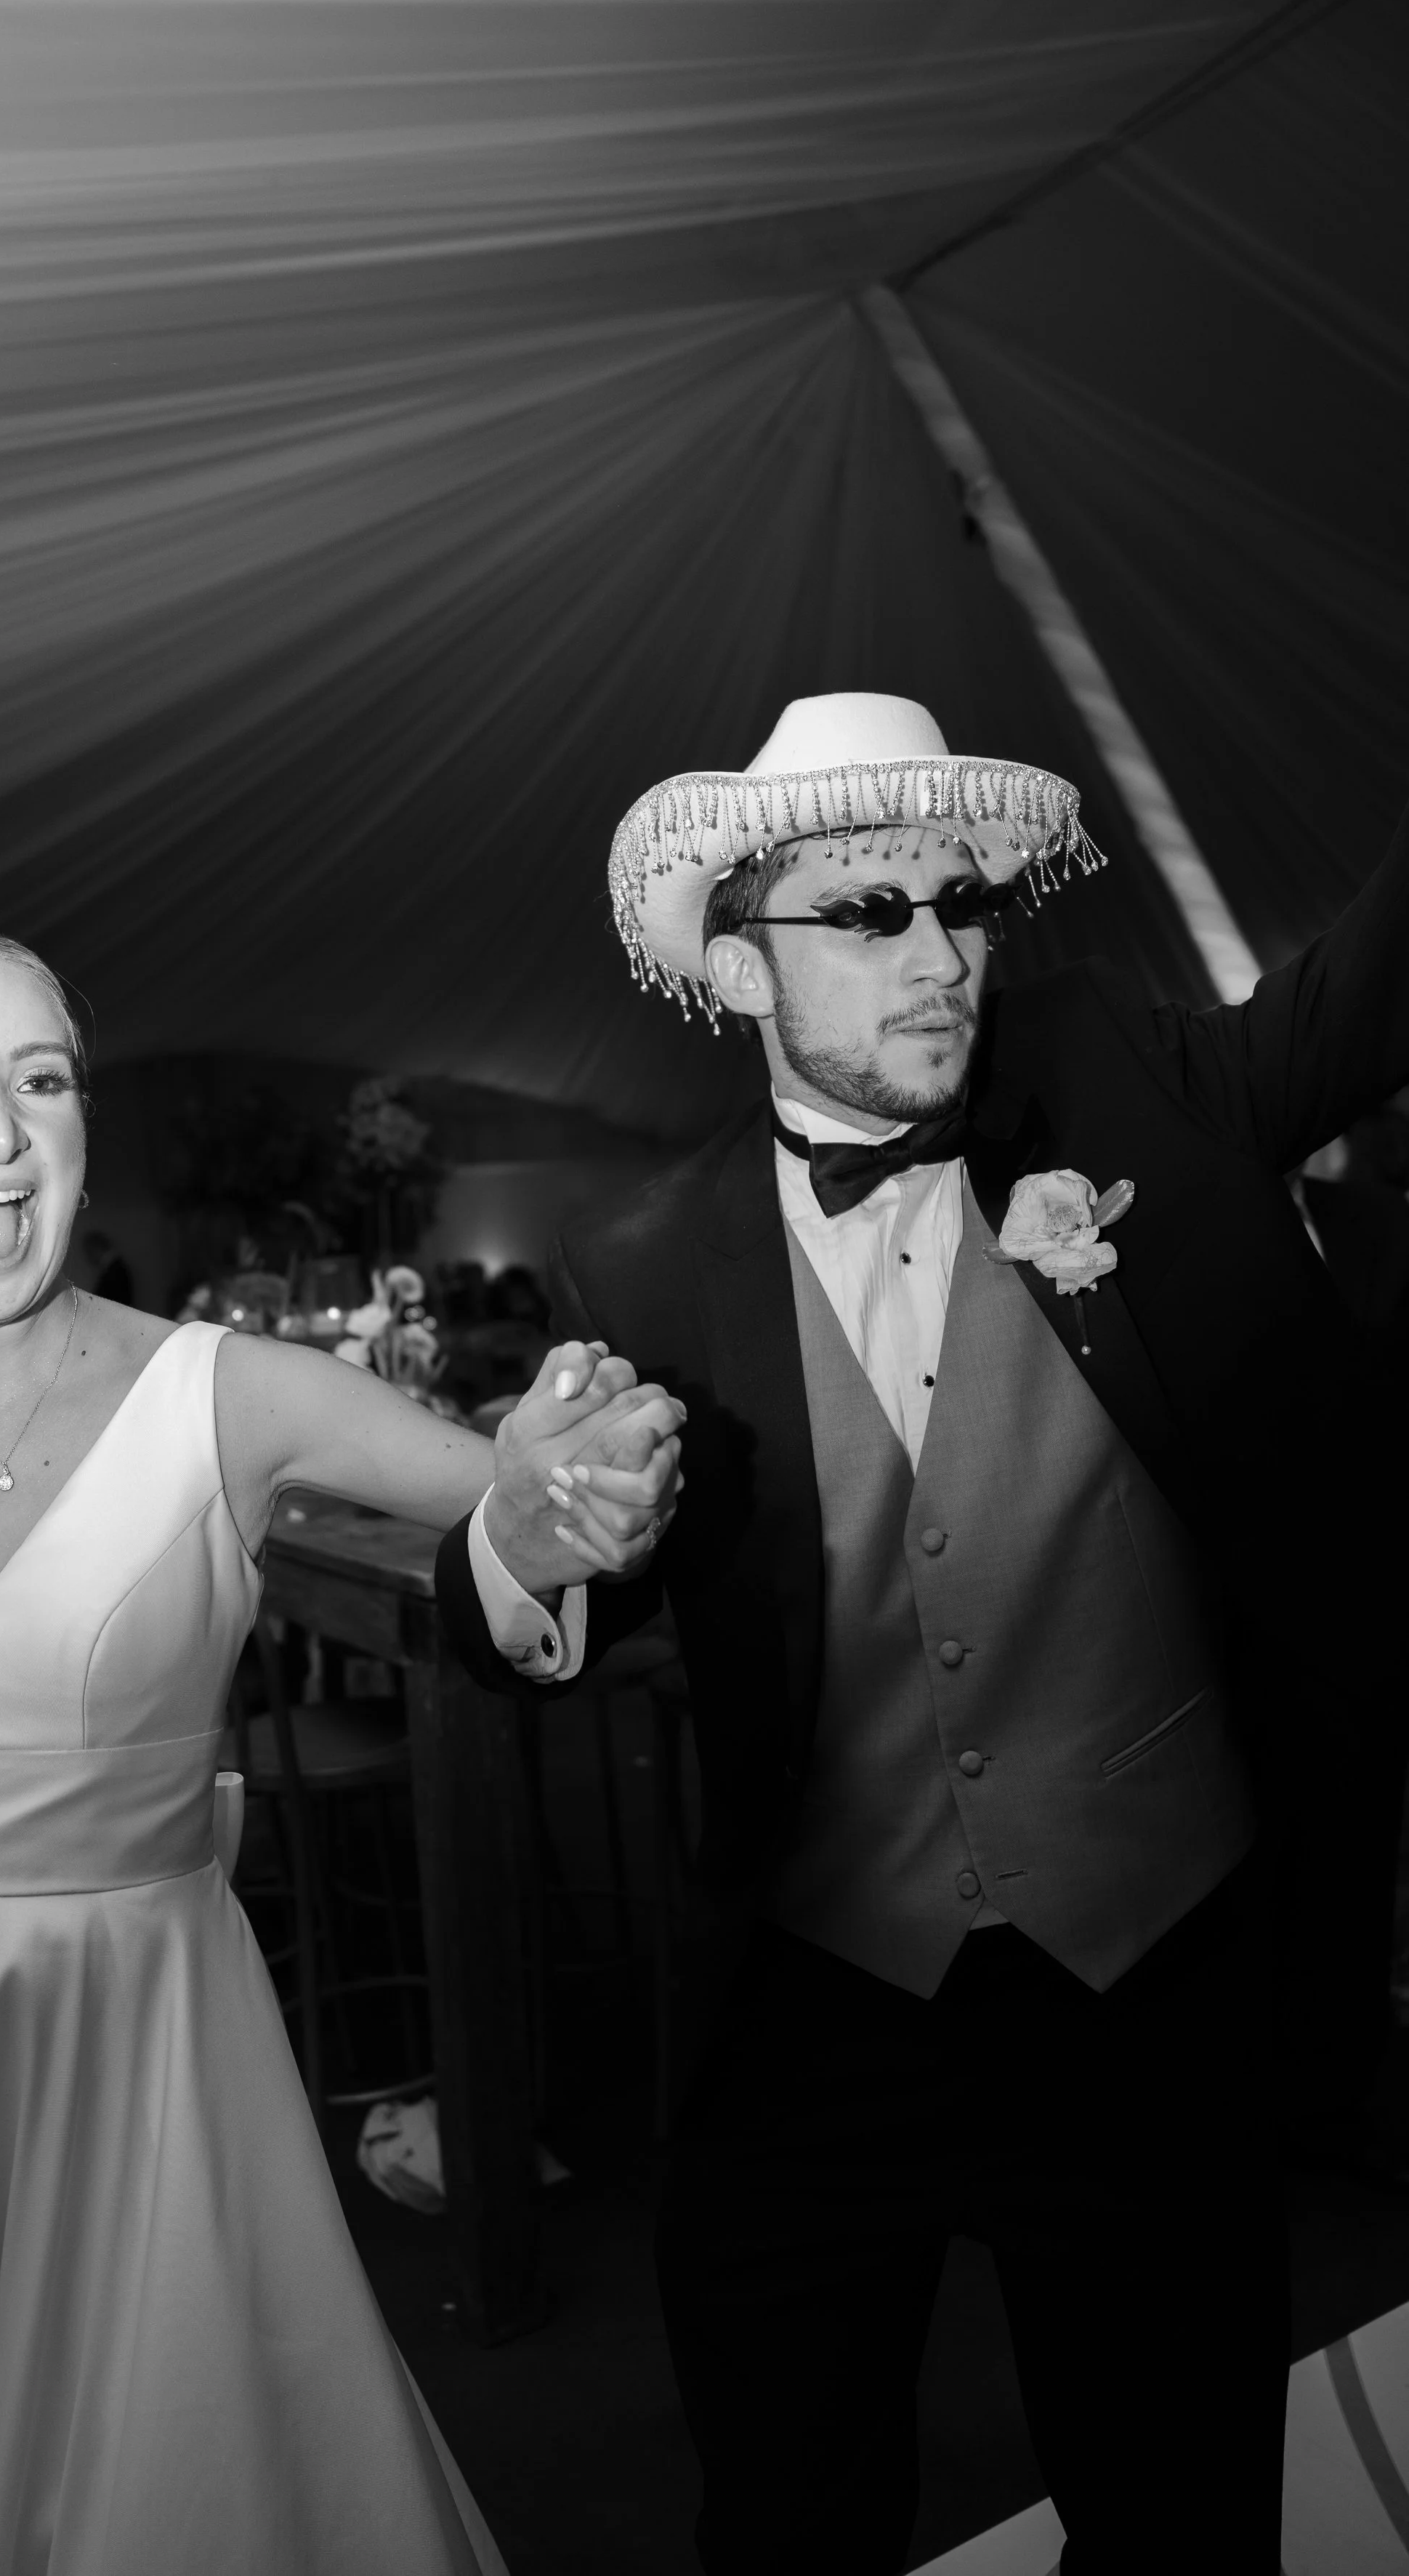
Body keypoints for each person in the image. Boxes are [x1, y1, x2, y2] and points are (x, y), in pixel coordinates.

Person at [436, 691, 1409, 2573]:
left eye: (957, 905)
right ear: (736, 962)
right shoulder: (642, 1257)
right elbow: (527, 1605)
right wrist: (515, 1536)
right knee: (791, 2518)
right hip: (817, 2009)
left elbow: (1371, 982)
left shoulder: (1123, 1077)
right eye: (863, 913)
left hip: (1150, 1982)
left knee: (1183, 2518)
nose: (938, 953)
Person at [0, 925, 679, 2576]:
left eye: (38, 1077)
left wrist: (562, 1469)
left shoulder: (227, 1393)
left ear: (79, 1126)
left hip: (149, 2043)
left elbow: (507, 1496)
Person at [81, 1226, 134, 1306]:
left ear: (97, 1248)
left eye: (89, 1252)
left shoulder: (115, 1270)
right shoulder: (113, 1268)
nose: (88, 1257)